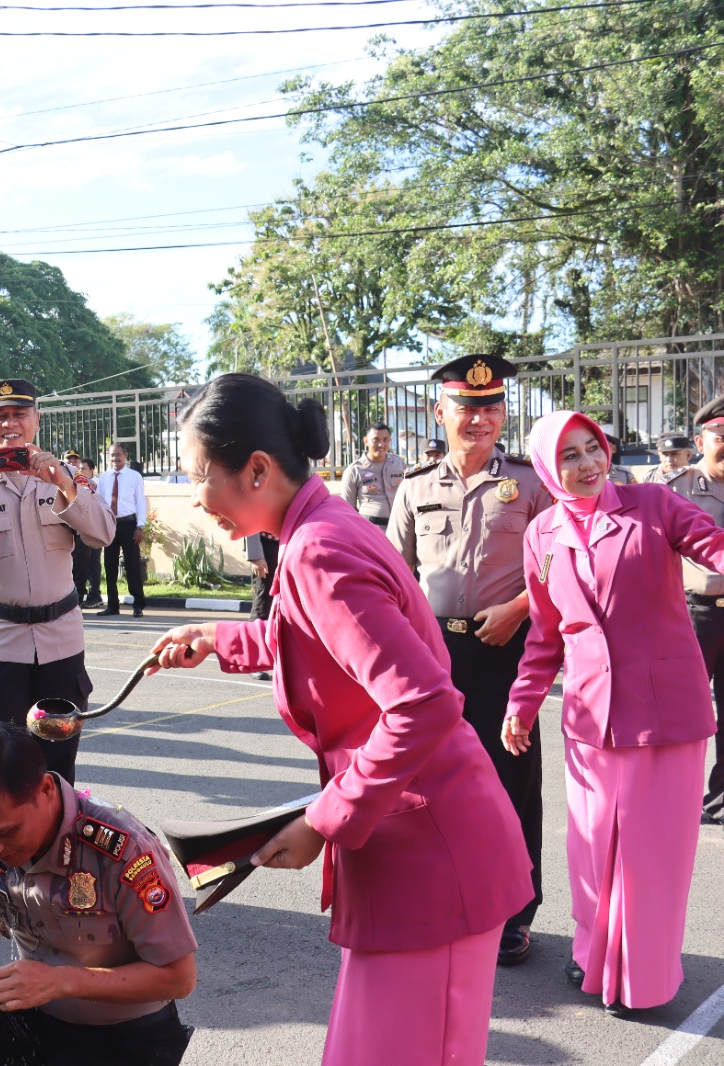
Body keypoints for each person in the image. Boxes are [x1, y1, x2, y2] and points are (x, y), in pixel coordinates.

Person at [151, 373, 532, 1066]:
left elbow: (423, 703)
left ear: (257, 470)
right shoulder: (318, 530)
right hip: (413, 849)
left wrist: (323, 821)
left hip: (430, 857)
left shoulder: (318, 549)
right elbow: (317, 641)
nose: (197, 498)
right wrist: (217, 638)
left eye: (199, 475)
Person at [503, 411, 724, 1014]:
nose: (586, 465)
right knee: (591, 849)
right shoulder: (542, 532)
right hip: (590, 719)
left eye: (593, 449)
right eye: (569, 455)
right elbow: (547, 636)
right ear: (550, 467)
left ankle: (644, 980)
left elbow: (712, 545)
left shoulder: (655, 505)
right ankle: (594, 956)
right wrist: (522, 704)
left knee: (652, 859)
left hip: (666, 719)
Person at [0, 723, 196, 1066]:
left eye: (6, 832)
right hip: (35, 1014)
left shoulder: (125, 850)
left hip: (123, 1038)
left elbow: (178, 977)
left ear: (44, 790)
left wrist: (61, 980)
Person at [387, 353, 554, 967]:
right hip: (434, 652)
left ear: (503, 412)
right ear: (441, 412)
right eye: (466, 407)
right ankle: (451, 893)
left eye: (490, 407)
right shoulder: (414, 487)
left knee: (512, 779)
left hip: (506, 650)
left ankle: (517, 911)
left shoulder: (531, 484)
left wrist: (516, 608)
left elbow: (561, 567)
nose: (479, 418)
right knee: (433, 779)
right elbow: (393, 573)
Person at [0, 379, 115, 784]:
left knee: (59, 764)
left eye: (19, 414)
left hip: (61, 645)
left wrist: (65, 486)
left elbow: (102, 534)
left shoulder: (66, 475)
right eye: (0, 416)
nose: (10, 424)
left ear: (37, 419)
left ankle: (59, 843)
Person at [656, 400, 724, 824]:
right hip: (692, 614)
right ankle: (671, 796)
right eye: (722, 438)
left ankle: (720, 800)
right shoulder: (676, 488)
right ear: (701, 442)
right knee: (682, 711)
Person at [94, 443, 148, 617]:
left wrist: (140, 526)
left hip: (129, 525)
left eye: (118, 454)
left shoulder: (134, 477)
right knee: (109, 566)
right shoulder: (105, 477)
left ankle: (138, 604)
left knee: (133, 565)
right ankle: (112, 605)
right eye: (111, 455)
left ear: (125, 455)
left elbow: (140, 502)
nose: (114, 458)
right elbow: (100, 501)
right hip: (110, 524)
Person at [339, 422, 406, 529]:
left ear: (390, 440)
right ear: (366, 441)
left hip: (399, 528)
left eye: (385, 440)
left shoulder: (399, 463)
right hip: (371, 530)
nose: (381, 445)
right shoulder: (354, 471)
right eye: (376, 440)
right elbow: (348, 509)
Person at [244, 532, 279, 681]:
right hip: (266, 546)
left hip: (289, 542)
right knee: (262, 604)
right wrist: (255, 555)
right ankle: (255, 660)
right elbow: (250, 518)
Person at [72, 458, 103, 607]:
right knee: (80, 564)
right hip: (79, 531)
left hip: (93, 529)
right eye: (79, 468)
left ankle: (94, 594)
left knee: (93, 564)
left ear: (92, 470)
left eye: (84, 469)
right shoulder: (74, 483)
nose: (80, 471)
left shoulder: (95, 485)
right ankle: (79, 594)